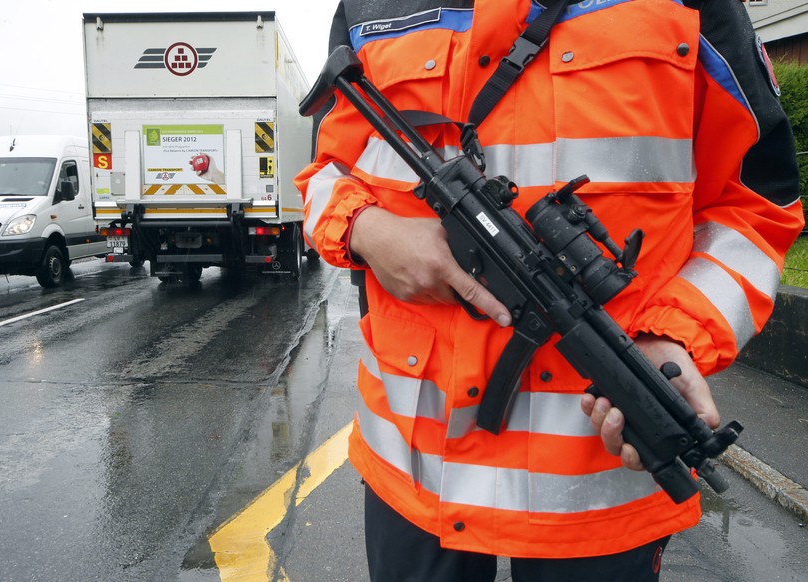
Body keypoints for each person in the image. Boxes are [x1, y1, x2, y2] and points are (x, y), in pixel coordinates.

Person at [295, 1, 804, 580]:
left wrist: (676, 335)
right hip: (413, 466)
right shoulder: (371, 6)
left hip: (596, 479)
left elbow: (758, 205)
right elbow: (326, 170)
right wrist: (366, 228)